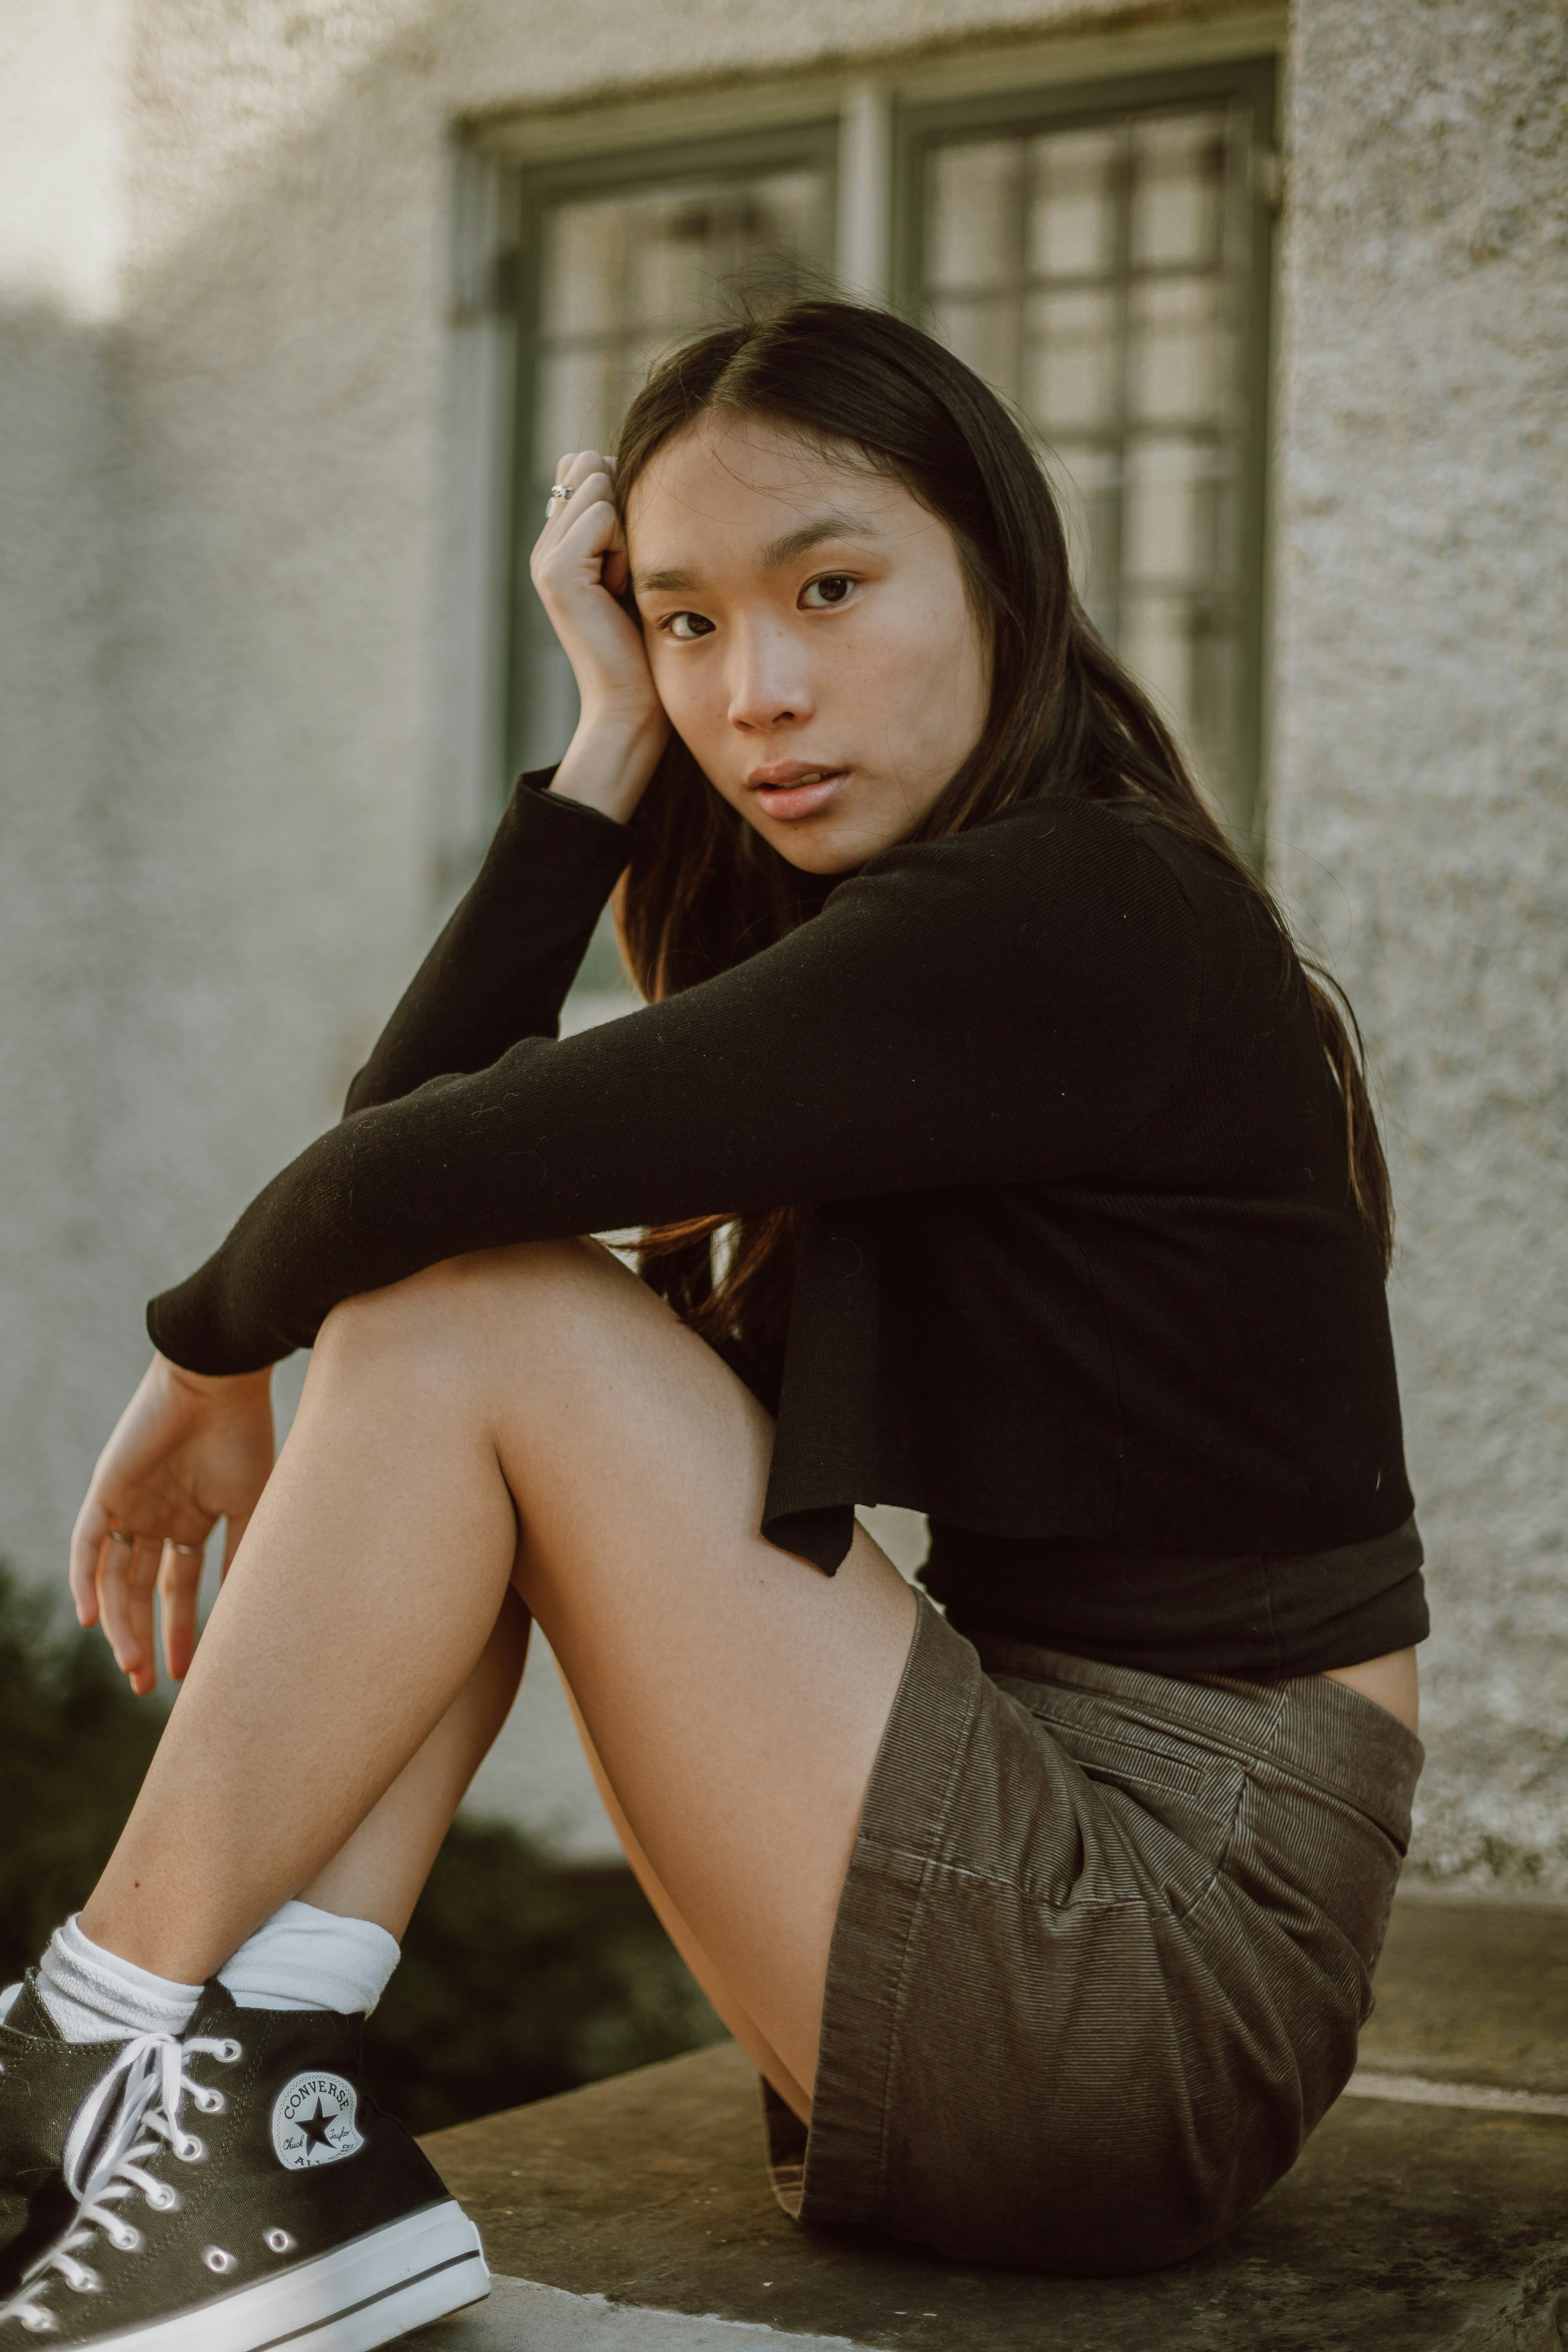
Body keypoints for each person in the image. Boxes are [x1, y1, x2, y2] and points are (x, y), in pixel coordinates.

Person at [0, 299, 1425, 2349]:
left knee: (486, 1301)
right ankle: (254, 2080)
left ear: (1000, 579)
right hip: (1059, 1937)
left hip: (1146, 1970)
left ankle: (94, 2035)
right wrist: (599, 758)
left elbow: (408, 1194)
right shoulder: (924, 941)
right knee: (463, 1302)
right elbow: (410, 1166)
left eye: (829, 588)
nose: (755, 688)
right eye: (680, 625)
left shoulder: (1079, 912)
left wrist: (212, 1348)